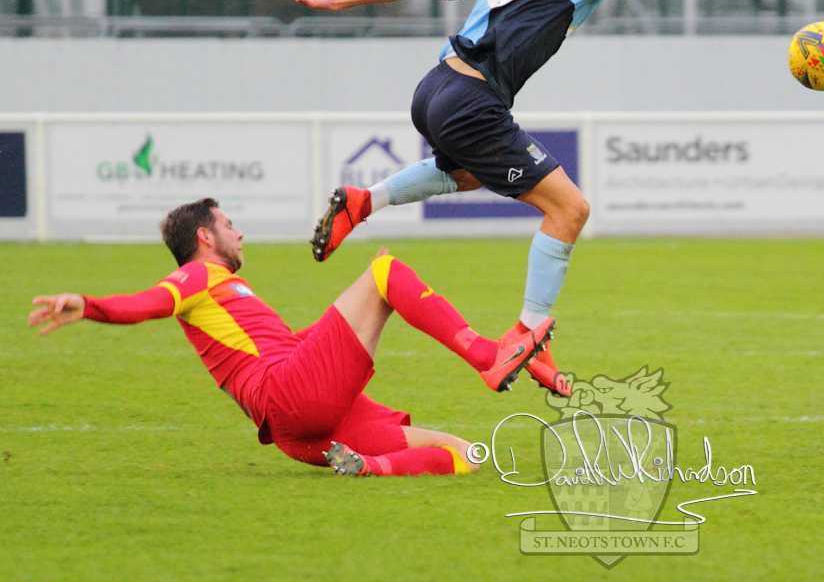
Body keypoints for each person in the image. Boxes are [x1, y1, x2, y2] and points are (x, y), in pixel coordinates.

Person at [278, 0, 793, 399]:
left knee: (470, 174)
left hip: (433, 88)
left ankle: (365, 202)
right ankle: (527, 335)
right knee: (570, 210)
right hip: (472, 101)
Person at [28, 198, 553, 476]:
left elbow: (287, 346)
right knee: (386, 271)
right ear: (205, 237)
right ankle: (487, 357)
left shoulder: (224, 292)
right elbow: (147, 304)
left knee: (464, 454)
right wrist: (88, 305)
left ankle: (369, 468)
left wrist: (359, 317)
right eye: (229, 225)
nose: (239, 233)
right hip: (292, 397)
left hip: (298, 433)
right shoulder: (196, 275)